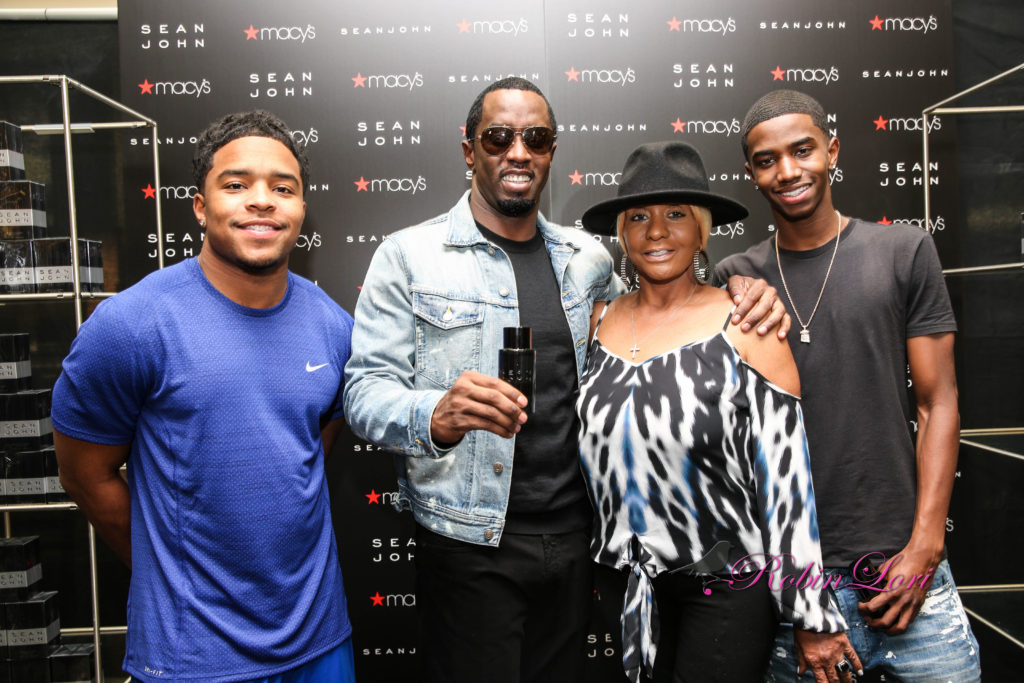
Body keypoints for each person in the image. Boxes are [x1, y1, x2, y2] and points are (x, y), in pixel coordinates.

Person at [343, 77, 786, 683]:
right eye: (498, 137)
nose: (517, 152)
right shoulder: (408, 256)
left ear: (552, 150)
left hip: (583, 545)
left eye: (537, 138)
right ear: (469, 148)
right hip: (470, 542)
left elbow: (663, 325)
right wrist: (435, 414)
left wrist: (738, 287)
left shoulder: (589, 261)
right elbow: (363, 393)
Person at [51, 111, 356, 682]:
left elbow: (313, 449)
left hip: (319, 643)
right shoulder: (132, 325)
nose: (261, 201)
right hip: (192, 653)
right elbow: (84, 475)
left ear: (301, 208)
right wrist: (172, 576)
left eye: (281, 188)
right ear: (199, 206)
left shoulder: (333, 326)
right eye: (236, 185)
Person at [716, 89, 982, 682]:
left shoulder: (904, 251)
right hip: (797, 589)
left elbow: (938, 403)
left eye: (802, 150)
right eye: (766, 160)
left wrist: (925, 546)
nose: (787, 171)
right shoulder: (735, 278)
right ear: (752, 174)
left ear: (832, 150)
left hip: (904, 569)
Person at [576, 140, 859, 683]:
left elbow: (787, 483)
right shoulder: (596, 321)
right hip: (621, 587)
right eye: (639, 217)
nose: (656, 231)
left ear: (703, 230)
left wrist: (809, 613)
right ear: (622, 233)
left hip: (724, 586)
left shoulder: (747, 323)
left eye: (676, 215)